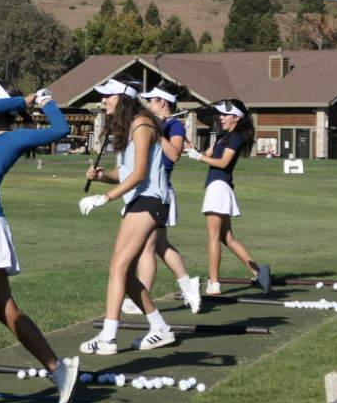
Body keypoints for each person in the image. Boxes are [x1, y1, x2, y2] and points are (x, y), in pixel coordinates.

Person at [0, 80, 79, 403]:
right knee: (4, 310)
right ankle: (58, 369)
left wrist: (44, 101)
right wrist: (18, 100)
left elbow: (61, 127)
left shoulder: (14, 139)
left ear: (2, 102)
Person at [79, 77, 177, 354]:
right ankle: (159, 327)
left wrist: (105, 198)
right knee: (122, 271)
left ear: (123, 99)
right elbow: (124, 173)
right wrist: (102, 178)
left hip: (150, 201)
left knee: (119, 268)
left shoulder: (143, 124)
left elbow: (140, 173)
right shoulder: (132, 125)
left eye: (108, 96)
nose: (103, 101)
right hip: (139, 201)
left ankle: (108, 338)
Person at [184, 99, 271, 295]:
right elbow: (206, 154)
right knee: (227, 238)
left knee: (213, 237)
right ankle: (259, 273)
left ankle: (214, 283)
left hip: (219, 186)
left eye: (225, 114)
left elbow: (222, 163)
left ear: (236, 118)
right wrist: (194, 150)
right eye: (221, 114)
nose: (221, 117)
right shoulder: (223, 136)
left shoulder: (237, 137)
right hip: (217, 187)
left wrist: (199, 157)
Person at [137, 82, 201, 315]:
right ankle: (188, 285)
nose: (148, 104)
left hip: (159, 189)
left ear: (161, 102)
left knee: (147, 247)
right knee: (160, 246)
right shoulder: (162, 124)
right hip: (150, 187)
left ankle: (142, 299)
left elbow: (174, 154)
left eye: (152, 101)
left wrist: (155, 130)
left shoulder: (175, 126)